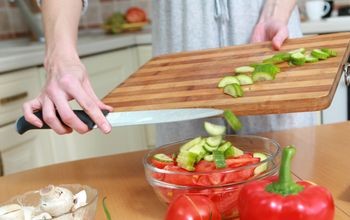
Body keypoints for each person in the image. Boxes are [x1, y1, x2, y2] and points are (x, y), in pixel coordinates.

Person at [24, 0, 315, 144]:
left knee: (291, 183)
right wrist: (59, 55)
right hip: (178, 68)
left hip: (272, 47)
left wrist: (274, 14)